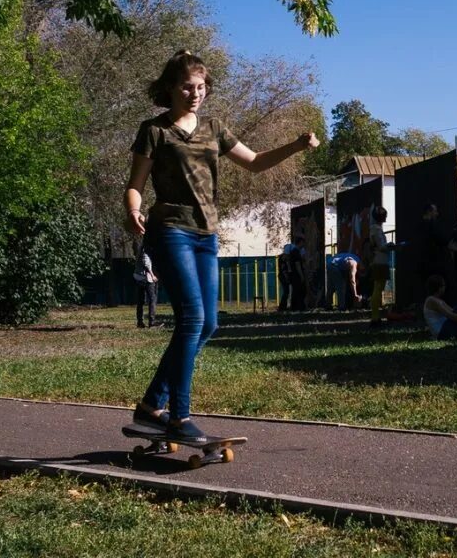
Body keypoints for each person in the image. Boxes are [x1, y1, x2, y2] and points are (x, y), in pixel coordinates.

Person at [125, 49, 320, 443]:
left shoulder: (215, 128)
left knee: (209, 323)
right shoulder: (154, 130)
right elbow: (135, 184)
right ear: (170, 88)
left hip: (205, 233)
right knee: (192, 318)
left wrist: (296, 146)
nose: (195, 93)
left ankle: (150, 407)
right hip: (170, 229)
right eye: (186, 87)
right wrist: (132, 209)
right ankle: (179, 417)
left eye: (201, 87)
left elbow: (255, 162)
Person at [368, 206, 393, 327]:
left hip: (376, 261)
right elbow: (381, 246)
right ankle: (375, 317)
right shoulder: (377, 230)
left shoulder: (373, 229)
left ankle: (375, 315)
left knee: (377, 288)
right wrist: (390, 246)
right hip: (381, 261)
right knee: (378, 289)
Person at [133, 239, 160, 328]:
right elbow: (146, 262)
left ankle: (140, 322)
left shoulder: (141, 247)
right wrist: (153, 275)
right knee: (152, 299)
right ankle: (152, 323)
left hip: (138, 277)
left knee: (140, 301)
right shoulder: (146, 248)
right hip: (146, 278)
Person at [289, 234, 307, 311]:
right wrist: (301, 276)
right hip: (297, 275)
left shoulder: (295, 251)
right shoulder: (296, 252)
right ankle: (299, 307)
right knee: (300, 290)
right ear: (300, 242)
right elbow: (297, 265)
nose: (304, 245)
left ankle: (295, 307)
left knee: (296, 291)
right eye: (303, 243)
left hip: (294, 274)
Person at [276, 244, 292, 311]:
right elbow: (284, 269)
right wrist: (287, 277)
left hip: (282, 276)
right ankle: (282, 307)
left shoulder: (282, 257)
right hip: (283, 276)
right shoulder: (284, 258)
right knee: (286, 292)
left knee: (286, 292)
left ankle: (283, 306)